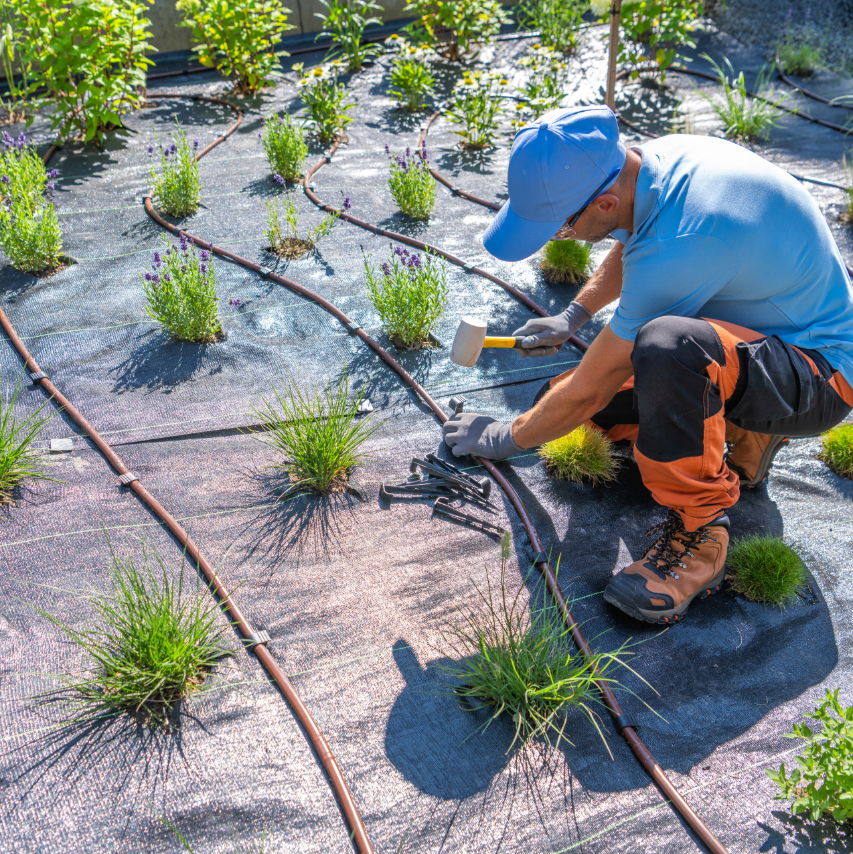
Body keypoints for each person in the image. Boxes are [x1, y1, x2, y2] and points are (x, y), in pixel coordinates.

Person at [442, 105, 853, 625]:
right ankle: (745, 432)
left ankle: (701, 533)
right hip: (761, 340)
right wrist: (574, 315)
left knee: (663, 350)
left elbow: (592, 385)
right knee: (584, 405)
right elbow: (634, 241)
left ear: (605, 200)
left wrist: (506, 437)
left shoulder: (684, 239)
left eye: (564, 224)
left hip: (819, 375)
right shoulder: (655, 165)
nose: (560, 237)